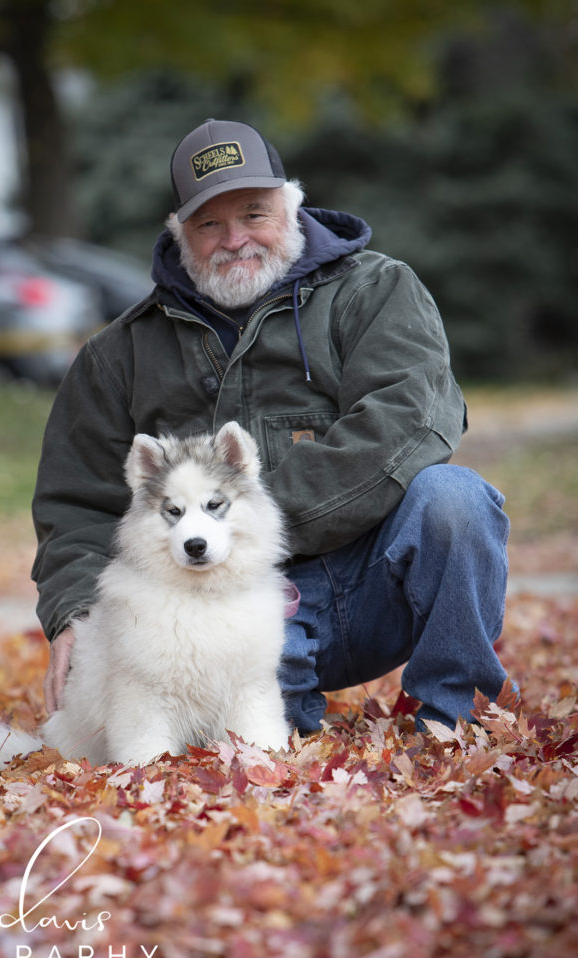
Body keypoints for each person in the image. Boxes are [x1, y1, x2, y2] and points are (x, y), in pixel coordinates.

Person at [31, 118, 511, 735]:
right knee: (254, 753)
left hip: (367, 582)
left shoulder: (377, 291)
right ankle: (282, 724)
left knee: (456, 500)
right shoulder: (118, 354)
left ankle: (457, 717)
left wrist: (252, 520)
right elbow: (75, 501)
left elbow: (411, 424)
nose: (235, 239)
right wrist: (74, 611)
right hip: (215, 613)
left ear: (291, 206)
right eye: (209, 224)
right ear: (179, 234)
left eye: (254, 213)